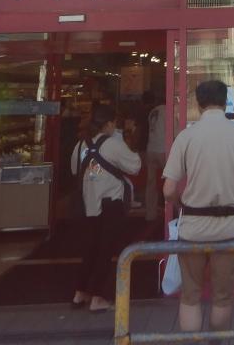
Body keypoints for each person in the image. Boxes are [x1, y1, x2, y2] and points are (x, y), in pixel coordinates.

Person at [162, 79, 234, 338]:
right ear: (226, 101)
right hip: (231, 228)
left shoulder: (186, 136)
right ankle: (217, 341)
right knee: (223, 296)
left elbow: (168, 190)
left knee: (190, 294)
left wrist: (181, 204)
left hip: (193, 228)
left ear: (198, 103)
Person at [70, 104, 142, 312]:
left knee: (90, 249)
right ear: (109, 124)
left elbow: (75, 169)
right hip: (110, 204)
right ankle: (98, 297)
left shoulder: (80, 145)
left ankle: (80, 293)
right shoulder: (113, 144)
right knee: (106, 250)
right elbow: (135, 166)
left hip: (87, 204)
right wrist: (128, 141)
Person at [143, 91, 167, 222]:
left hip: (151, 148)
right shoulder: (168, 111)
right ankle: (173, 211)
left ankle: (150, 214)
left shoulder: (153, 111)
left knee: (151, 183)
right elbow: (175, 131)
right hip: (163, 150)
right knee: (171, 180)